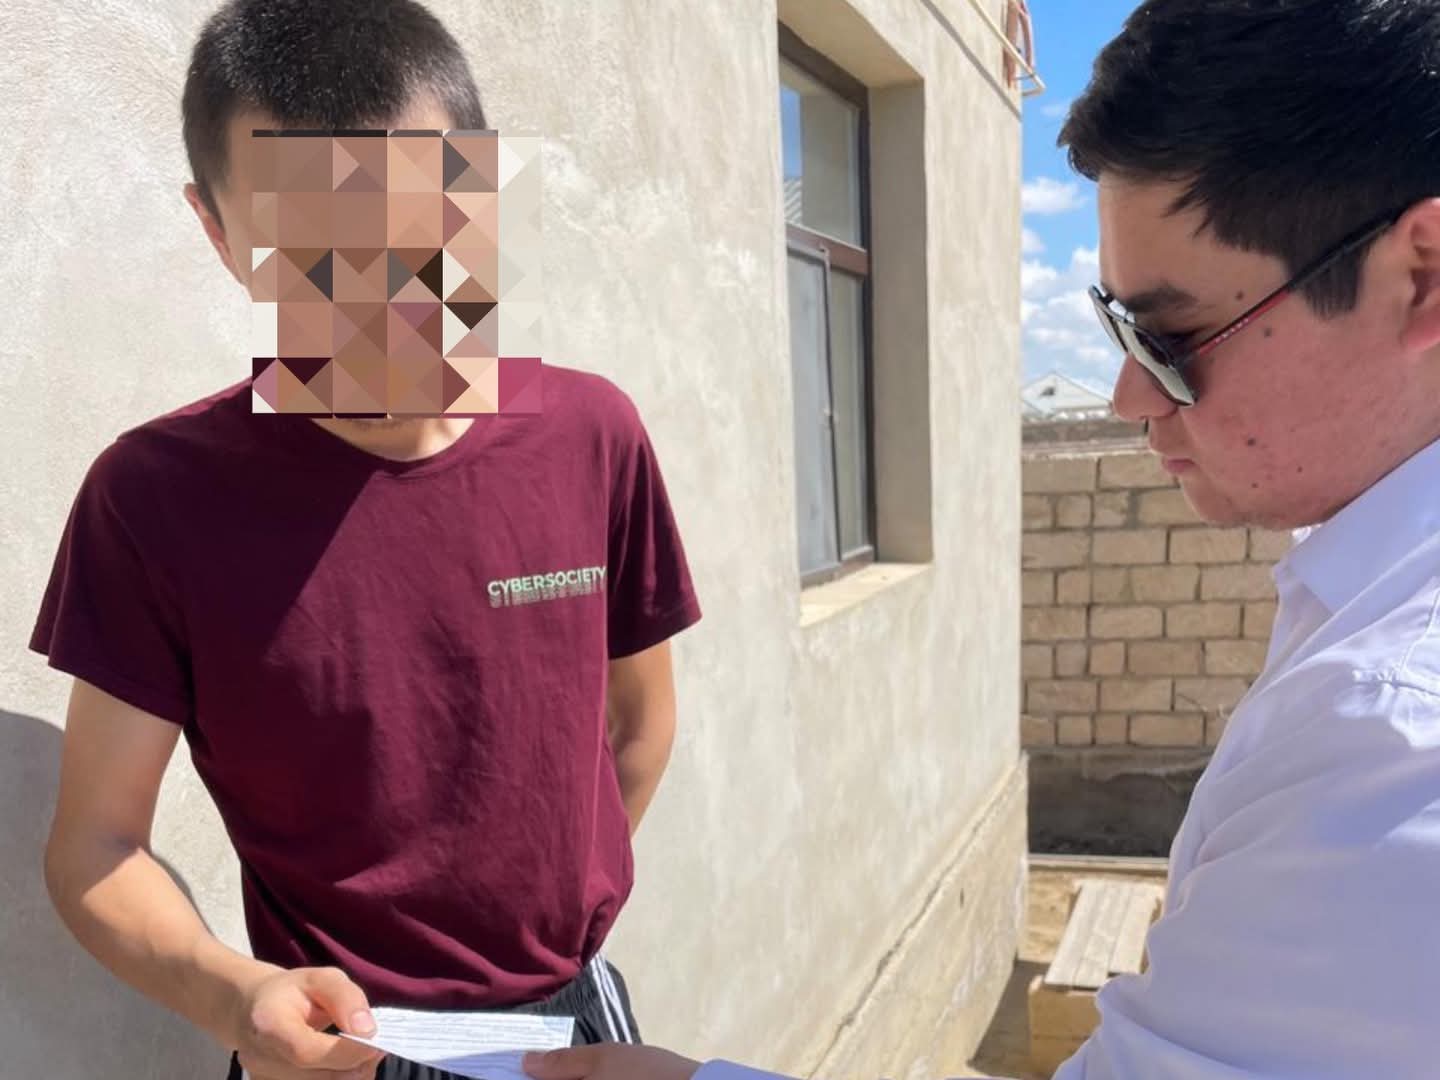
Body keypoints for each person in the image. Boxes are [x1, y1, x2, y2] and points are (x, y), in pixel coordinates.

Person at [523, 1, 1440, 1078]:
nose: (1130, 395)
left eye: (1175, 335)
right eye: (1117, 327)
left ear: (1421, 275)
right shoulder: (1367, 617)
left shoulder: (1391, 741)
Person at [35, 2, 702, 1078]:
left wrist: (541, 943)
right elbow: (97, 847)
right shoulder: (152, 500)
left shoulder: (592, 435)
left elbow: (639, 723)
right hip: (328, 1051)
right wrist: (233, 994)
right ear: (219, 233)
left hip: (573, 1027)